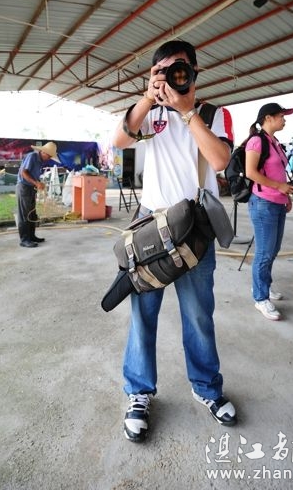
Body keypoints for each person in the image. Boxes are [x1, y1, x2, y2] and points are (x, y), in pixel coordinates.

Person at [112, 40, 237, 443]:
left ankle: (207, 387)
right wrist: (149, 98)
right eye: (162, 71)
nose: (171, 77)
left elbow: (220, 161)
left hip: (195, 229)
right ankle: (139, 392)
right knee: (143, 313)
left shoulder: (213, 114)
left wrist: (187, 111)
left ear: (194, 72)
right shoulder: (151, 114)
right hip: (151, 227)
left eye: (178, 69)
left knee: (198, 315)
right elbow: (119, 140)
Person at [245, 103, 293, 320]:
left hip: (277, 202)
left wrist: (285, 196)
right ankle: (260, 298)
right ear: (268, 118)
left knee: (273, 250)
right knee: (264, 253)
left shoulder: (274, 142)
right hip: (263, 203)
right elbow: (250, 172)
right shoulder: (256, 141)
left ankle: (262, 285)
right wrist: (279, 187)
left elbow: (278, 174)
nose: (284, 119)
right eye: (281, 116)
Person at [16, 141, 60, 248]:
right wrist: (36, 183)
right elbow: (23, 172)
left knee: (32, 213)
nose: (49, 158)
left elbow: (33, 174)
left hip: (31, 187)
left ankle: (31, 236)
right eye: (49, 155)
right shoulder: (32, 156)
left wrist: (38, 183)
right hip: (24, 187)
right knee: (24, 214)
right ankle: (24, 239)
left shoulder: (40, 160)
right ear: (43, 152)